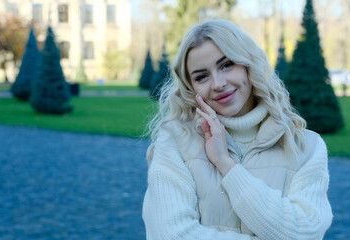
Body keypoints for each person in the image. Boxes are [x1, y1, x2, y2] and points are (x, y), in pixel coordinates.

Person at [142, 19, 332, 240]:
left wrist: (227, 165)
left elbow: (305, 232)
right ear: (190, 87)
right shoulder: (175, 141)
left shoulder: (307, 147)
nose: (218, 83)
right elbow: (169, 234)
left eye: (226, 65)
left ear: (248, 64)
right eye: (202, 76)